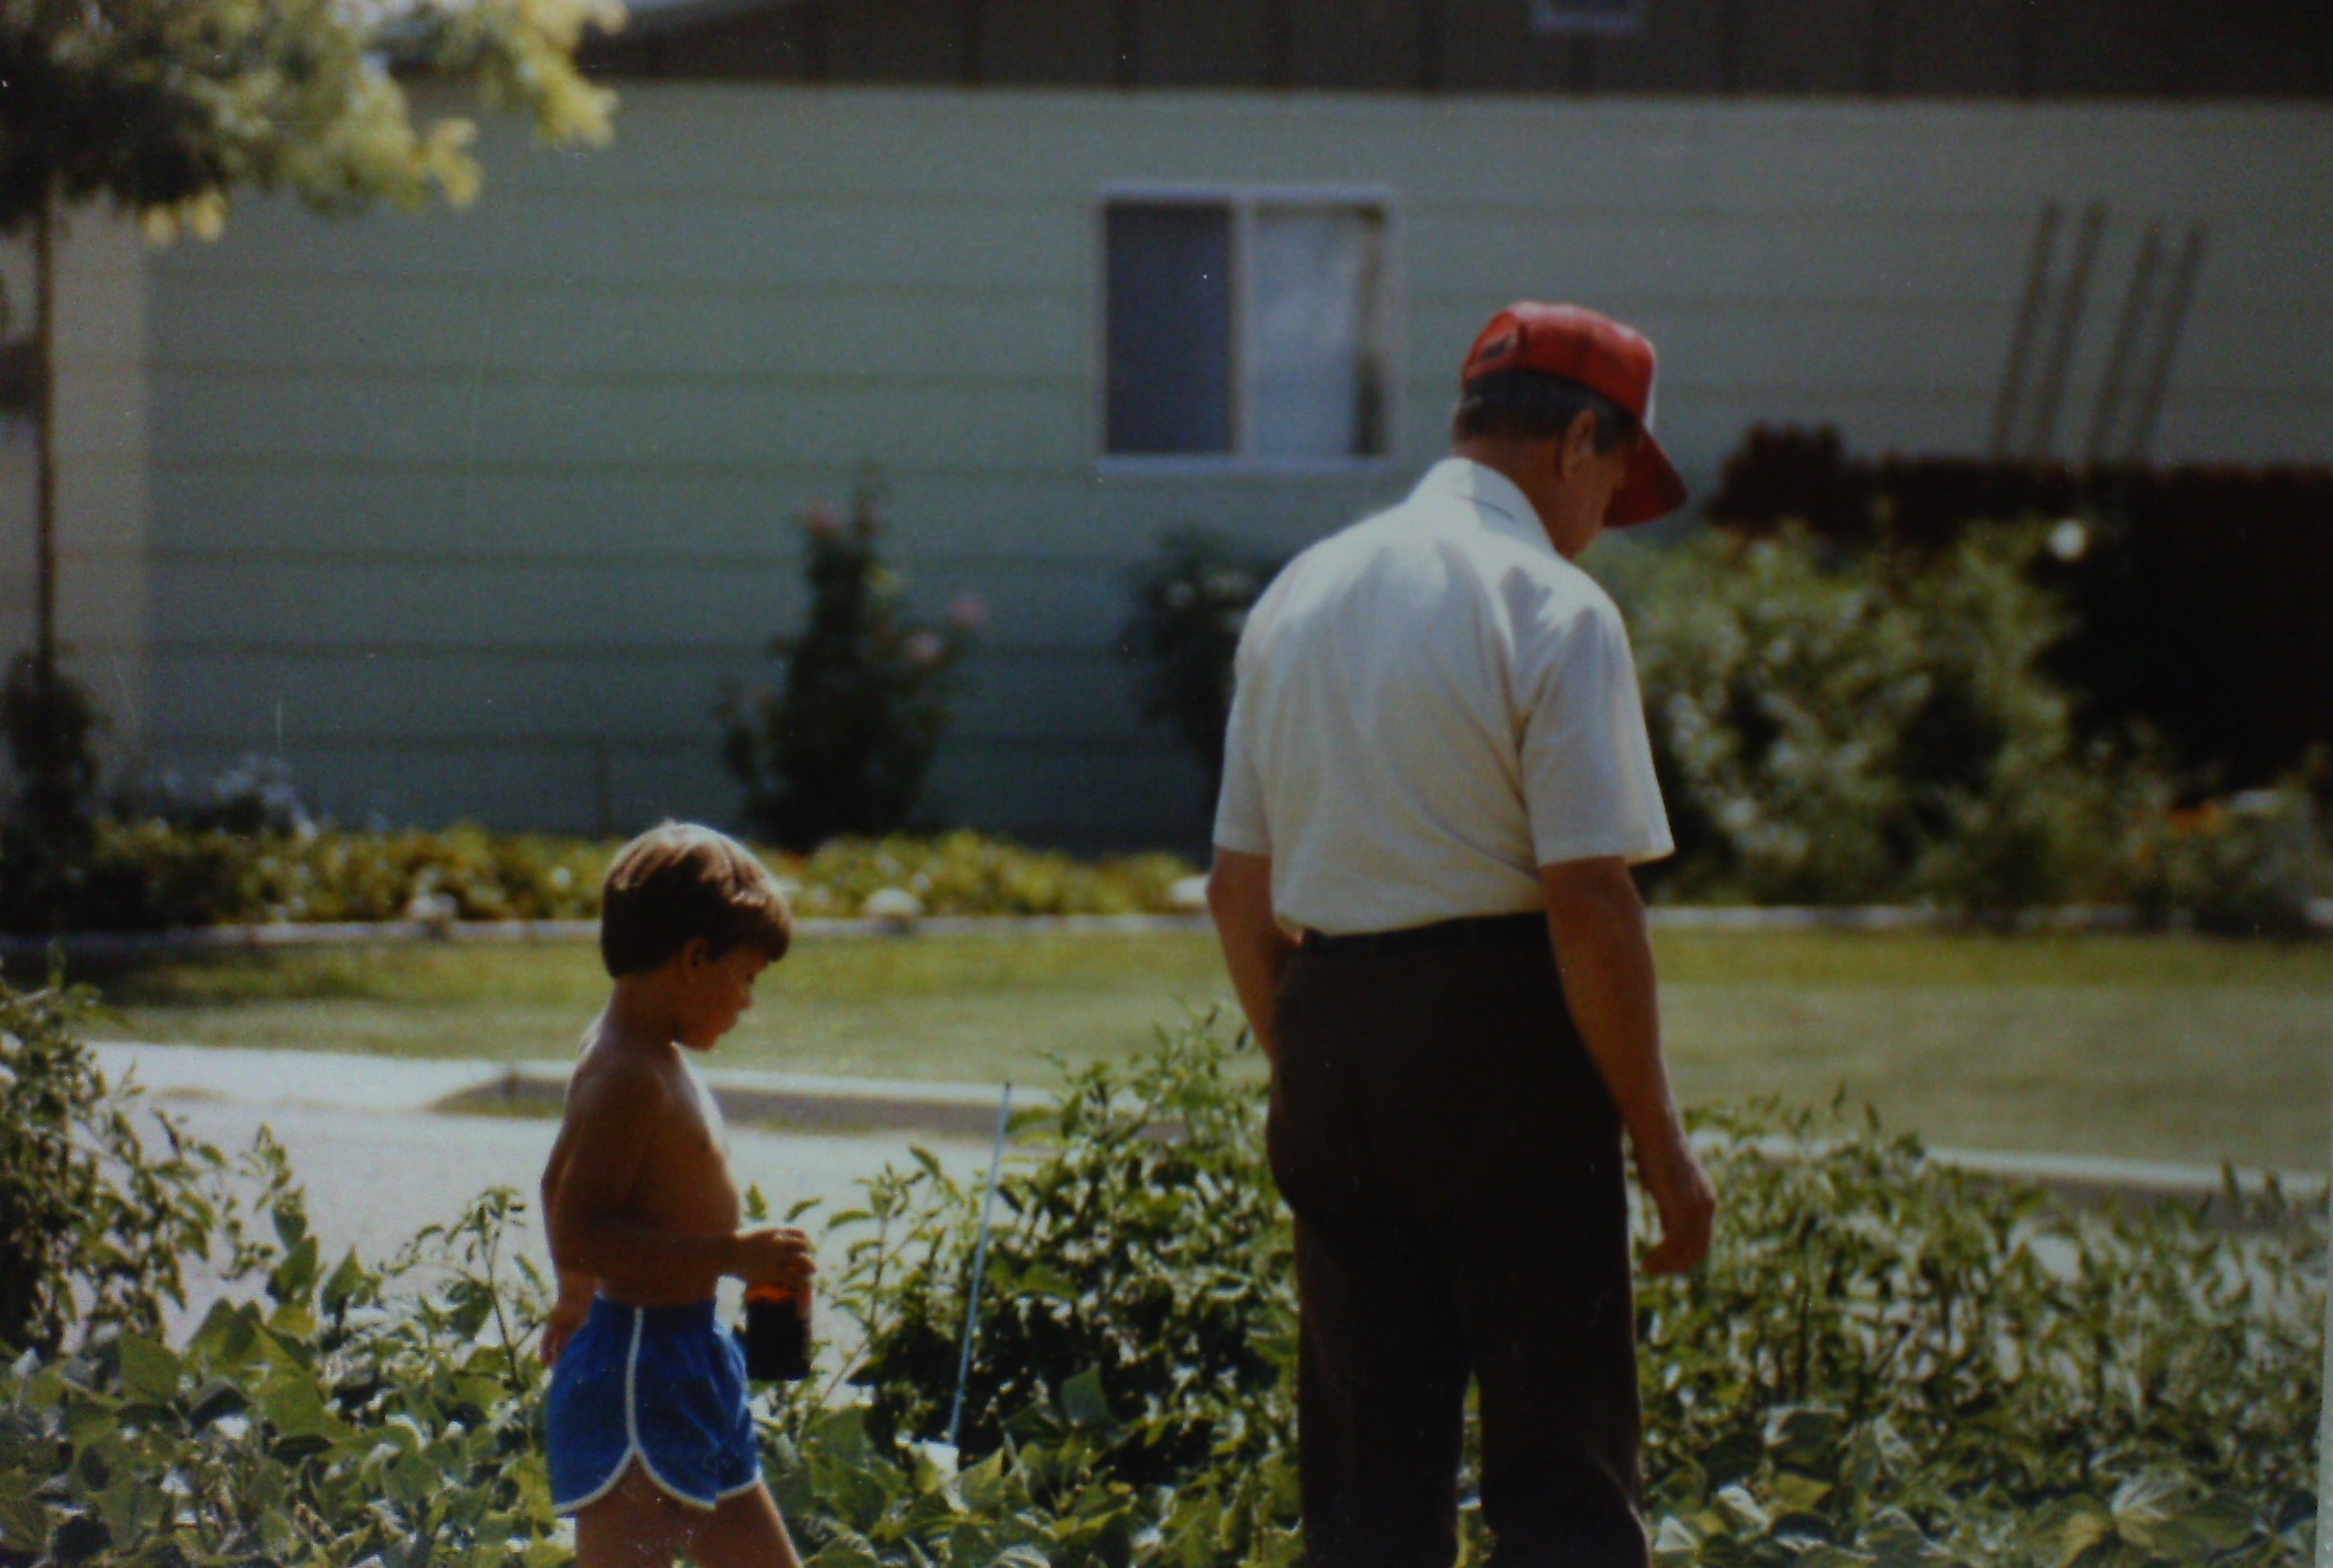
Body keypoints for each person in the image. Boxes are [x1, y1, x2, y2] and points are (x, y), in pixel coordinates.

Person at [1207, 302, 1718, 1567]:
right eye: (1615, 478)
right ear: (1581, 438)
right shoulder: (1551, 605)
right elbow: (1589, 898)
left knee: (1365, 1494)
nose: (1605, 514)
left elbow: (1235, 888)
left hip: (1329, 1023)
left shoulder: (1298, 594)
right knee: (1561, 1480)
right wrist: (1660, 1140)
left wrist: (1310, 1054)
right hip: (1503, 1036)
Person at [537, 821, 817, 1568]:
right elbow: (581, 1225)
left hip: (691, 1356)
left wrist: (571, 1299)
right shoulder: (629, 1075)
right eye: (746, 977)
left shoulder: (646, 1057)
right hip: (642, 1370)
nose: (748, 1002)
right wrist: (729, 1253)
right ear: (695, 957)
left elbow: (555, 1178)